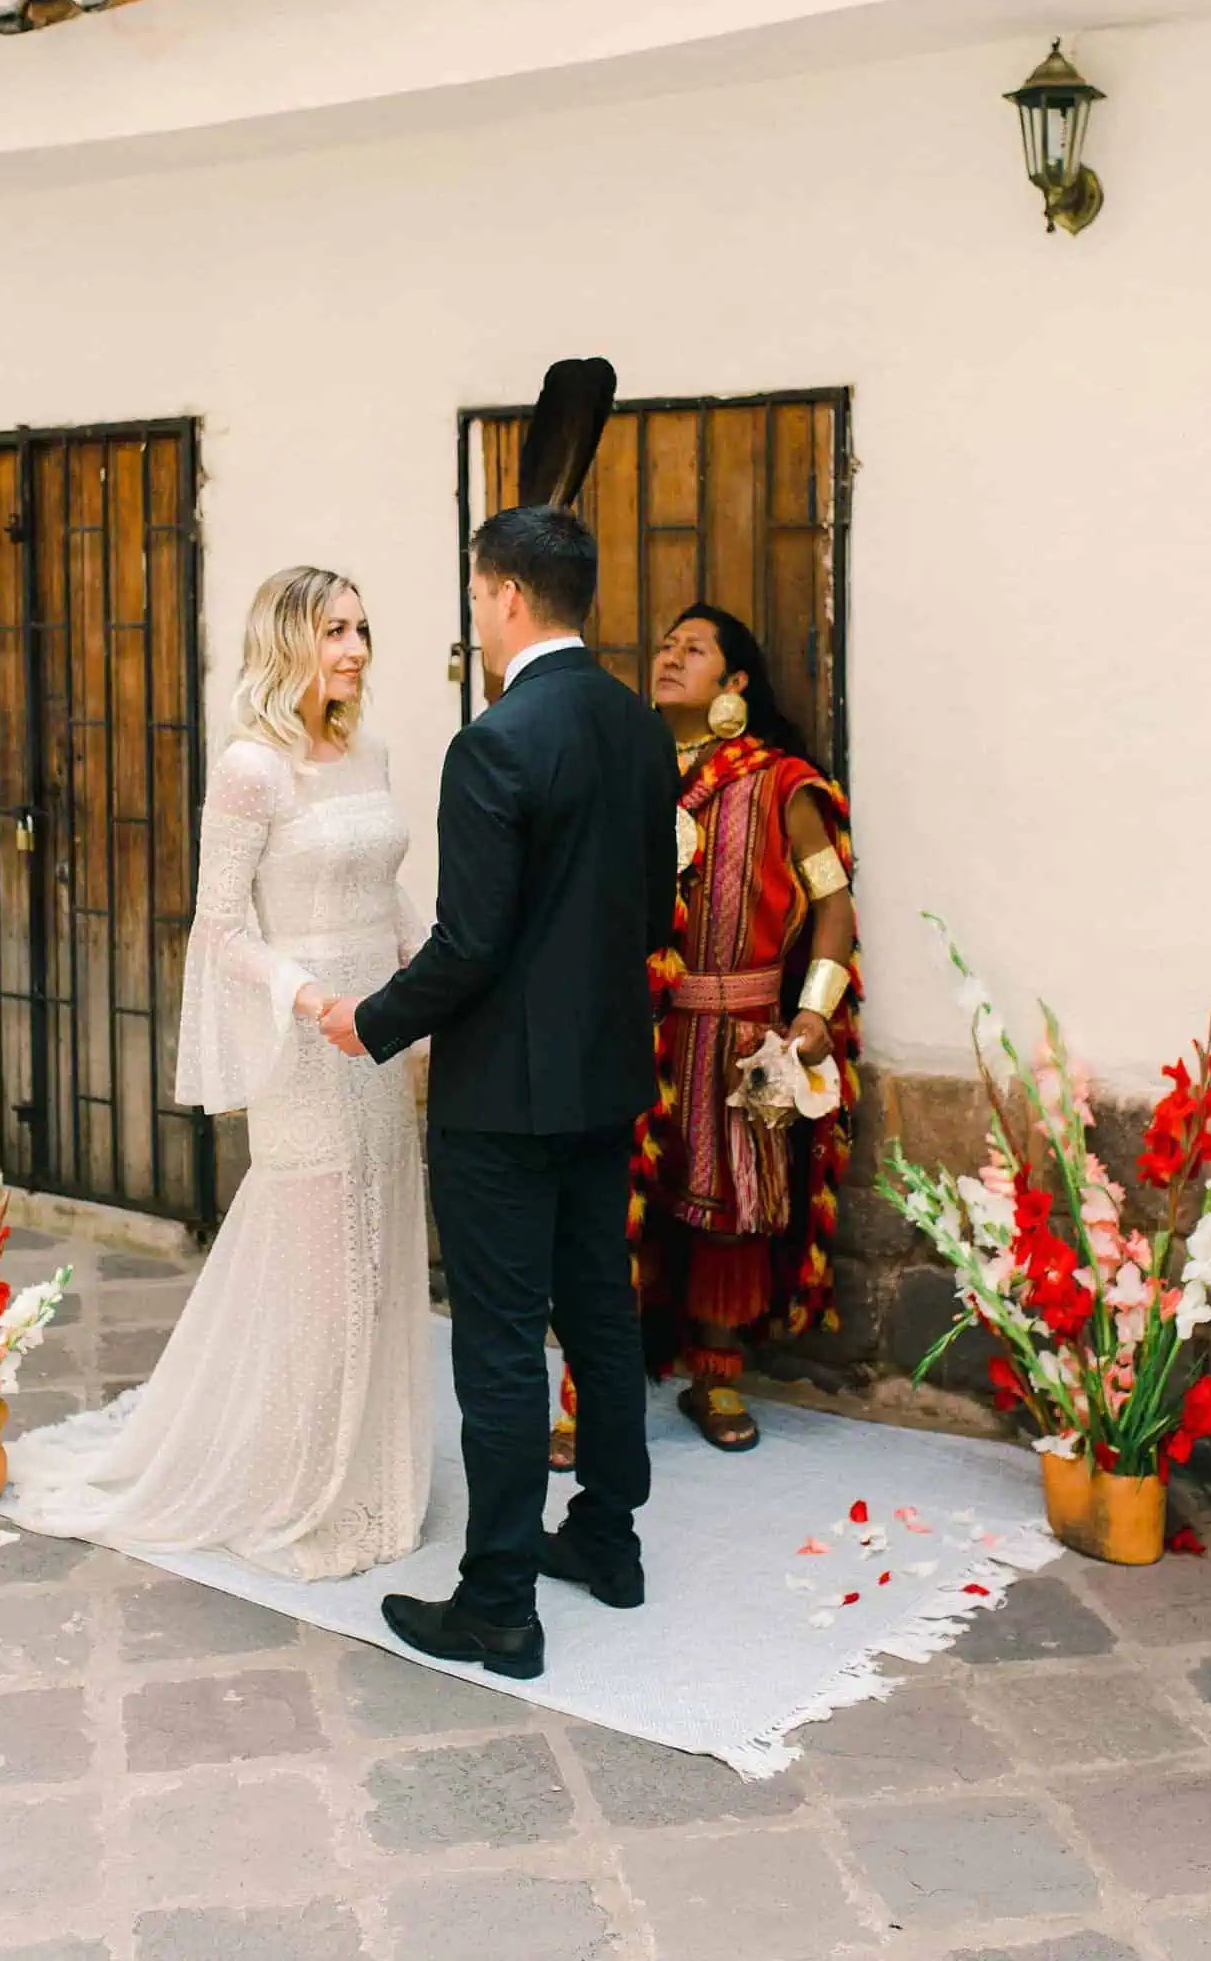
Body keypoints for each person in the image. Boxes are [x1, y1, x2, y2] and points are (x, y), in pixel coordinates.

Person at [0, 568, 432, 1581]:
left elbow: (386, 885)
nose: (357, 648)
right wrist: (306, 996)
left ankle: (368, 1466)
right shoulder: (251, 770)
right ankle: (296, 1479)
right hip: (306, 1041)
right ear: (287, 642)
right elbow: (222, 924)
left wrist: (438, 973)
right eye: (334, 630)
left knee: (377, 1244)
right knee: (324, 1260)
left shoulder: (368, 751)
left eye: (363, 627)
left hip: (382, 1034)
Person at [322, 506, 679, 1680]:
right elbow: (646, 902)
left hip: (502, 1100)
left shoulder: (495, 742)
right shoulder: (637, 727)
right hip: (605, 1076)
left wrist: (367, 1022)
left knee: (501, 1345)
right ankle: (608, 1543)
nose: (476, 617)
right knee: (602, 1314)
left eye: (478, 598)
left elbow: (470, 945)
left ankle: (498, 1604)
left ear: (509, 598)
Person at [550, 604, 859, 1462]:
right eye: (664, 643)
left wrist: (813, 1011)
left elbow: (831, 903)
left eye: (694, 650)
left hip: (735, 1035)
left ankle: (717, 1374)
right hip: (634, 1031)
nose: (669, 656)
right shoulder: (624, 771)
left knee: (727, 1215)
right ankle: (585, 1395)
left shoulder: (781, 783)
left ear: (736, 685)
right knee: (610, 1215)